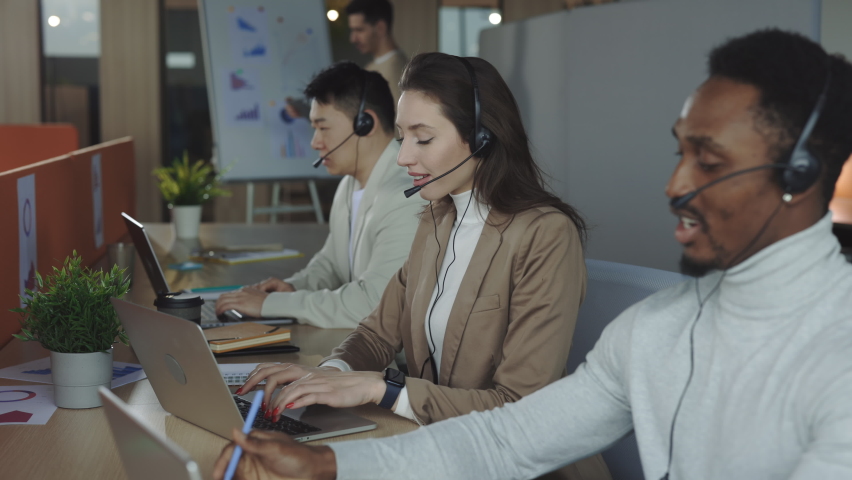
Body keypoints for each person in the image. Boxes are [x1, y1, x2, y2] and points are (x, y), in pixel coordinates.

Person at [213, 29, 852, 480]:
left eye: (708, 162)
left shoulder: (835, 354)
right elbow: (506, 440)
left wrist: (377, 396)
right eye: (679, 152)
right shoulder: (654, 332)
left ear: (801, 173)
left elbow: (511, 415)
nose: (675, 185)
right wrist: (326, 465)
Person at [219, 52, 611, 479]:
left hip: (527, 468)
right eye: (402, 137)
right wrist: (326, 377)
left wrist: (384, 388)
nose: (404, 157)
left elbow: (520, 408)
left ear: (482, 137)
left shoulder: (545, 235)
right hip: (444, 449)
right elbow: (376, 332)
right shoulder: (436, 218)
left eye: (422, 139)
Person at [215, 62, 424, 328]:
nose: (315, 142)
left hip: (396, 362)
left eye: (323, 128)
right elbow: (332, 264)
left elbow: (374, 303)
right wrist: (292, 287)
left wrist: (269, 305)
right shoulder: (348, 186)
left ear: (365, 124)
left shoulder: (406, 195)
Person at [346, 0, 408, 104]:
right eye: (352, 30)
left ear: (380, 28)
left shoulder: (396, 70)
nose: (353, 39)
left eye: (359, 30)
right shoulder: (372, 67)